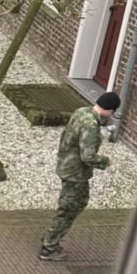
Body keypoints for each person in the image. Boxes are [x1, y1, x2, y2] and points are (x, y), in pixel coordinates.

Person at [40, 91, 120, 261]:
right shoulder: (91, 125)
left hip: (67, 164)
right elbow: (88, 156)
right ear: (110, 111)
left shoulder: (81, 111)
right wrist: (106, 161)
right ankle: (49, 246)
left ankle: (52, 237)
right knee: (68, 209)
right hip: (75, 173)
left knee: (79, 202)